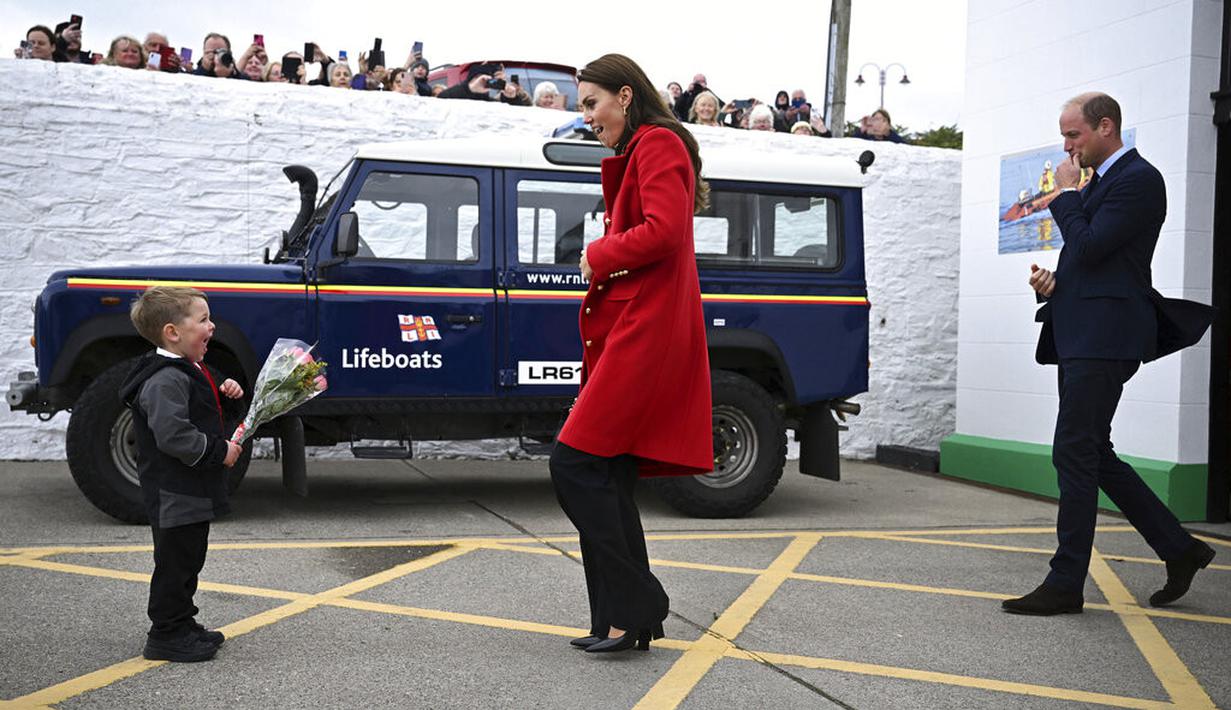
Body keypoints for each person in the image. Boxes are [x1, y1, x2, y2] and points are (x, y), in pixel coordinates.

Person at [1004, 92, 1216, 616]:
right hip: (1084, 331)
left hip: (1106, 338)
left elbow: (1094, 245)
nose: (1067, 146)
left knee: (1073, 450)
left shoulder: (1139, 180)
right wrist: (1054, 285)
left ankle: (1065, 582)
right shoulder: (1102, 183)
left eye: (1073, 135)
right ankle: (1180, 549)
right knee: (1092, 451)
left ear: (1105, 127)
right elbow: (1090, 260)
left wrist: (1066, 196)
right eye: (1064, 136)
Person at [556, 53, 712, 654]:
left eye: (592, 103)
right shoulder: (642, 147)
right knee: (607, 473)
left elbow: (665, 232)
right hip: (633, 326)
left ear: (625, 95)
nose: (587, 117)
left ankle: (640, 602)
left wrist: (597, 253)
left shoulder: (657, 143)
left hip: (644, 331)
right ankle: (621, 622)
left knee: (573, 464)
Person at [118, 287, 244, 662]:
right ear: (172, 333)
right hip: (176, 493)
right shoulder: (165, 379)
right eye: (203, 319)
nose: (212, 326)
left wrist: (229, 394)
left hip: (190, 491)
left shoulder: (188, 368)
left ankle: (183, 623)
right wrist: (220, 452)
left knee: (189, 561)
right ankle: (166, 634)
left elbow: (203, 408)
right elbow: (174, 435)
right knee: (175, 565)